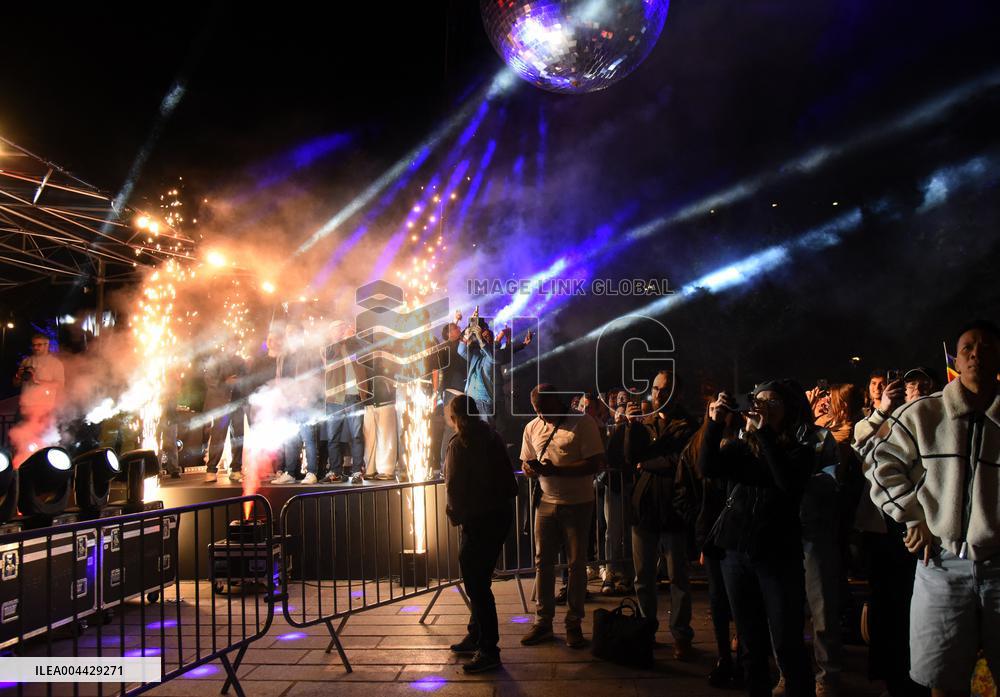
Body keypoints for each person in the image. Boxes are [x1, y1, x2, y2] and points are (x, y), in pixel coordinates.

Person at [865, 320, 1000, 697]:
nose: (977, 354)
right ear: (957, 358)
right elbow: (881, 464)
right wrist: (911, 516)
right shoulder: (925, 414)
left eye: (986, 347)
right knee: (941, 677)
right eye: (968, 347)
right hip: (940, 565)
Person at [700, 381, 815, 697]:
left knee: (788, 643)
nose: (761, 404)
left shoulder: (799, 450)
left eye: (771, 400)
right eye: (757, 399)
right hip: (736, 554)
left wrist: (764, 434)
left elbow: (787, 483)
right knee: (750, 646)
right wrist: (713, 424)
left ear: (787, 408)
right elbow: (707, 467)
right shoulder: (739, 448)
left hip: (777, 556)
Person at [853, 371, 930, 697]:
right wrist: (884, 411)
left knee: (920, 606)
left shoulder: (934, 420)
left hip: (924, 530)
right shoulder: (878, 421)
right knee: (887, 606)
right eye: (910, 387)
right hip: (882, 529)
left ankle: (920, 676)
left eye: (924, 387)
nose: (915, 391)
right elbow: (861, 447)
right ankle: (890, 679)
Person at [519, 384, 606, 649]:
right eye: (537, 411)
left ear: (558, 402)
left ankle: (573, 623)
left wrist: (557, 471)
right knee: (542, 563)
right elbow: (525, 462)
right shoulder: (532, 427)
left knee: (576, 564)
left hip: (578, 503)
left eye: (545, 410)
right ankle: (543, 622)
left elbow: (596, 462)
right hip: (546, 503)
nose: (542, 416)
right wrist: (530, 470)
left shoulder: (583, 423)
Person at [624, 370, 698, 660]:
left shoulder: (688, 424)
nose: (657, 395)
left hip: (674, 508)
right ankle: (646, 630)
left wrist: (649, 464)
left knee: (678, 577)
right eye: (655, 388)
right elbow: (631, 458)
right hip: (644, 508)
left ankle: (681, 635)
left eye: (664, 389)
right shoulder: (645, 422)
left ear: (677, 393)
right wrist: (630, 427)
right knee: (643, 577)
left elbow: (681, 462)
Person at [444, 395, 518, 674]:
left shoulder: (458, 444)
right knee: (481, 579)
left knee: (477, 585)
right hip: (499, 516)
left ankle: (489, 649)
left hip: (477, 521)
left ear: (454, 418)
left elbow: (453, 486)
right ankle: (475, 634)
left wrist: (457, 515)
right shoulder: (492, 436)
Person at [691, 406, 743, 689]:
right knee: (718, 599)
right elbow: (696, 480)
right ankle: (724, 655)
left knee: (741, 600)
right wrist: (703, 539)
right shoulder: (702, 445)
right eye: (712, 409)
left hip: (737, 535)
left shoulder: (745, 444)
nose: (719, 413)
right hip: (713, 535)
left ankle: (744, 655)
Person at [322, 320, 366, 484]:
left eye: (343, 328)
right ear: (331, 331)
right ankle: (335, 471)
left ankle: (356, 472)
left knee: (356, 436)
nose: (341, 331)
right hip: (336, 399)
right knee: (333, 437)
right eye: (337, 329)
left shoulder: (354, 344)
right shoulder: (328, 348)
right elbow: (329, 356)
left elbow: (366, 351)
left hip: (355, 396)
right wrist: (339, 339)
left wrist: (353, 337)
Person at [202, 350, 248, 483]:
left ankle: (236, 469)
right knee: (218, 436)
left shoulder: (240, 360)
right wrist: (225, 383)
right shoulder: (215, 359)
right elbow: (209, 379)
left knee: (238, 436)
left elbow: (247, 379)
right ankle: (211, 469)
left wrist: (239, 382)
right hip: (221, 405)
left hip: (237, 403)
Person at [13, 333, 65, 427]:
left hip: (44, 408)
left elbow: (60, 384)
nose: (35, 347)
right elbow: (16, 384)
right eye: (33, 345)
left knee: (41, 438)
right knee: (19, 437)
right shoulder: (26, 361)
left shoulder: (55, 363)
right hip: (25, 406)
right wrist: (18, 376)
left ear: (47, 345)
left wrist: (37, 381)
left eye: (39, 345)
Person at [457, 315, 496, 427]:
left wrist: (480, 338)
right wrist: (468, 332)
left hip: (484, 401)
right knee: (470, 431)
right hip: (470, 399)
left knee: (487, 432)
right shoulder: (476, 354)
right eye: (483, 336)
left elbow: (492, 358)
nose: (484, 338)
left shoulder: (494, 355)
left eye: (487, 337)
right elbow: (461, 351)